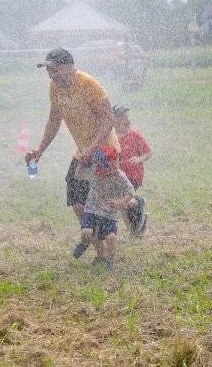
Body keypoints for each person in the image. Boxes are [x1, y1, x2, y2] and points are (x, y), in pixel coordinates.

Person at [25, 47, 120, 221]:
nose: (51, 75)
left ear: (69, 67)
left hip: (104, 150)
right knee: (77, 200)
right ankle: (95, 238)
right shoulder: (55, 87)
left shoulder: (88, 84)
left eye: (54, 70)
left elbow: (109, 119)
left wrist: (93, 147)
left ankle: (132, 210)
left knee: (107, 198)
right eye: (48, 71)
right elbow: (54, 120)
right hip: (83, 151)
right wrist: (40, 151)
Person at [71, 145, 135, 270]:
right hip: (92, 210)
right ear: (99, 166)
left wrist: (120, 202)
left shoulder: (120, 176)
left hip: (109, 213)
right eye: (107, 168)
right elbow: (78, 175)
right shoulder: (95, 172)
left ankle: (110, 261)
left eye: (114, 166)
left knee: (111, 238)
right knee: (86, 233)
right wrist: (81, 161)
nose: (110, 171)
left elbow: (130, 192)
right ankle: (84, 243)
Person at [113, 104, 152, 236]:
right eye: (123, 117)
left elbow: (148, 152)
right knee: (121, 204)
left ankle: (138, 204)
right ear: (114, 120)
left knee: (122, 199)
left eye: (127, 117)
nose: (127, 120)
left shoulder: (134, 135)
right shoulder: (112, 138)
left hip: (134, 175)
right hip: (119, 176)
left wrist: (139, 159)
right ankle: (135, 229)